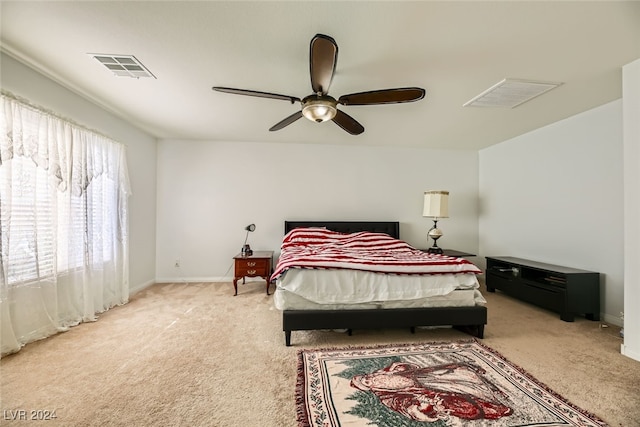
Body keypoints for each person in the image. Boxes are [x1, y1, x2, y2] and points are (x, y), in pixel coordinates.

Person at [351, 361, 513, 422]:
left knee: (461, 371)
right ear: (370, 388)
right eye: (366, 382)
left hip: (427, 376)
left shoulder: (385, 372)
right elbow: (402, 405)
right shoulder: (385, 396)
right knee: (464, 405)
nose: (370, 378)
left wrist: (395, 369)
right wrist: (417, 409)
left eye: (367, 376)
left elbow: (407, 366)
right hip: (428, 393)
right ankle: (494, 409)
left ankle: (493, 390)